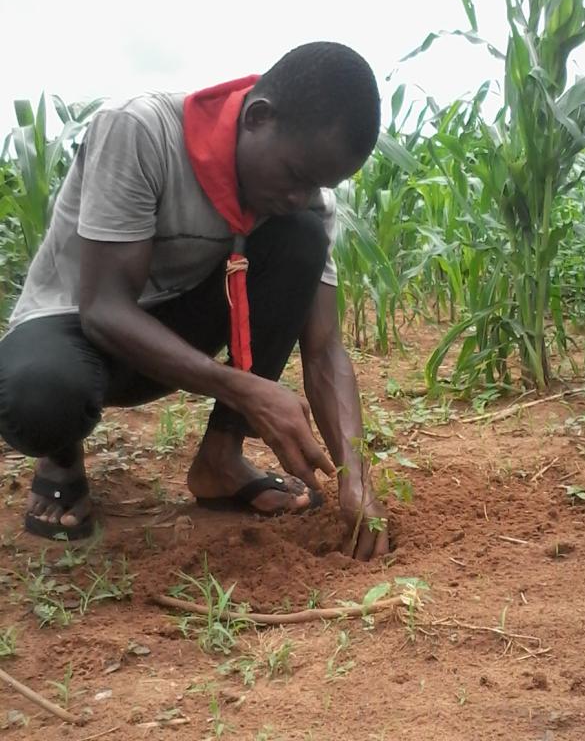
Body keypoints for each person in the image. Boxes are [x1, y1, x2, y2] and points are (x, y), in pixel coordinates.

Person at [0, 41, 389, 561]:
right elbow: (103, 310)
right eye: (297, 176)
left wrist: (354, 475)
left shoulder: (307, 203)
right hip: (77, 327)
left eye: (318, 184)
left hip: (174, 334)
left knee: (301, 237)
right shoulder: (139, 131)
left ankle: (220, 460)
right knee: (39, 397)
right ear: (258, 117)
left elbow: (325, 351)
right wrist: (245, 390)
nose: (303, 196)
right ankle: (61, 454)